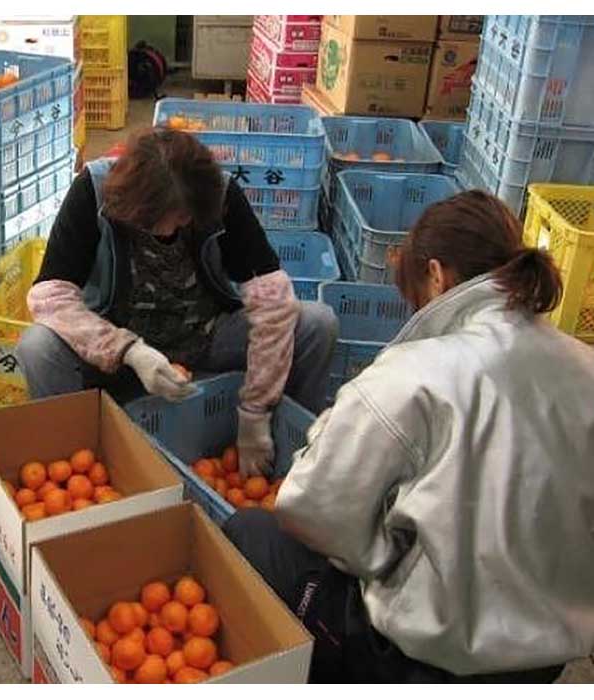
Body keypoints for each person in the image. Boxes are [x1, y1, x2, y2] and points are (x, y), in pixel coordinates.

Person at [225, 190, 594, 683]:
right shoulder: (584, 366)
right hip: (541, 662)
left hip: (423, 662)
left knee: (250, 534)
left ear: (437, 275)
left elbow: (311, 508)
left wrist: (381, 555)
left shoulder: (412, 374)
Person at [17, 127, 337, 478]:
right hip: (118, 346)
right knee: (38, 346)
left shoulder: (220, 195)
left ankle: (295, 447)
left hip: (207, 334)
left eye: (183, 219)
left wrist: (255, 411)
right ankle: (74, 464)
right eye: (156, 221)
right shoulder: (94, 193)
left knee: (316, 323)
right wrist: (127, 350)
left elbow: (273, 299)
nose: (170, 231)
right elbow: (50, 295)